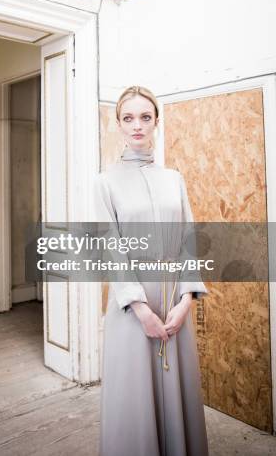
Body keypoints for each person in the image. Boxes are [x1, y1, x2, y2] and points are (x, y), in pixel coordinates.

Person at [94, 85, 209, 456]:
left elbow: (189, 240)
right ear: (118, 125)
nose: (137, 125)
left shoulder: (174, 178)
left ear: (156, 121)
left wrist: (187, 300)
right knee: (135, 400)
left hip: (175, 303)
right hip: (132, 308)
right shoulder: (105, 182)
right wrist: (141, 311)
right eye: (128, 118)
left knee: (179, 391)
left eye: (145, 117)